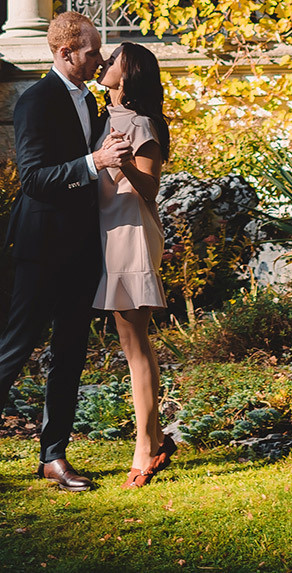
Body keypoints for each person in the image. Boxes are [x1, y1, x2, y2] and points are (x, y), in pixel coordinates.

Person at [0, 12, 128, 494]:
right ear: (65, 53)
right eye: (92, 51)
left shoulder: (92, 101)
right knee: (15, 348)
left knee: (71, 353)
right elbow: (32, 179)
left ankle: (53, 457)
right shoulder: (34, 101)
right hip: (41, 245)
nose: (99, 58)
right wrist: (93, 162)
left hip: (82, 245)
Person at [95, 40, 173, 487]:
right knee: (128, 341)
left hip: (130, 235)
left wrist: (123, 167)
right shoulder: (102, 115)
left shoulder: (142, 123)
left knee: (133, 343)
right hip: (105, 233)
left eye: (115, 59)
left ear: (130, 74)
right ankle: (157, 440)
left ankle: (146, 449)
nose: (105, 61)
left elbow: (151, 189)